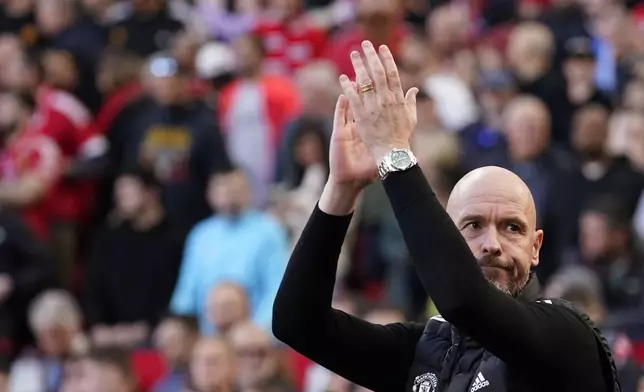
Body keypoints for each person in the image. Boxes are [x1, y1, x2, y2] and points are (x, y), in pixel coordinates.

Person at [272, 41, 619, 392]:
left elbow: (464, 299)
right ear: (446, 237)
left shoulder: (565, 333)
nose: (492, 244)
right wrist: (342, 188)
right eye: (473, 226)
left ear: (536, 247)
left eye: (512, 228)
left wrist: (394, 153)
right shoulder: (429, 349)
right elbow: (296, 323)